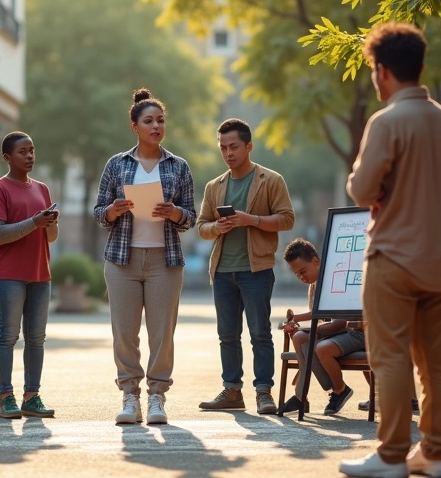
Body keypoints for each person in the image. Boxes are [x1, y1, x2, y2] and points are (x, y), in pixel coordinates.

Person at [339, 22, 441, 478]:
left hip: (393, 256)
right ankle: (436, 453)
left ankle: (392, 452)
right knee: (438, 358)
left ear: (383, 70)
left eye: (374, 70)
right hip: (440, 258)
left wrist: (379, 189)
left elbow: (361, 189)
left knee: (389, 356)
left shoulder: (387, 121)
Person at [94, 88, 196, 426]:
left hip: (164, 261)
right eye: (149, 121)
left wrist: (175, 212)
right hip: (122, 260)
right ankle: (129, 396)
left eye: (161, 120)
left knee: (161, 333)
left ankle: (157, 398)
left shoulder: (178, 166)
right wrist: (112, 210)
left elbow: (192, 217)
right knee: (125, 332)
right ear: (134, 126)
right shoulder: (117, 164)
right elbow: (98, 213)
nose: (156, 126)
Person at [196, 119, 295, 415]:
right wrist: (219, 227)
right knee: (227, 334)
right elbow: (201, 226)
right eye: (223, 147)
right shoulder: (215, 186)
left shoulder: (270, 180)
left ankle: (264, 392)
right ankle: (232, 390)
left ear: (249, 146)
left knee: (260, 333)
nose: (228, 153)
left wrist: (251, 219)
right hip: (223, 270)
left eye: (234, 147)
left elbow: (287, 218)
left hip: (257, 270)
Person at [0, 132, 59, 420]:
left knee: (36, 339)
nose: (29, 156)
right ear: (7, 157)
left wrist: (49, 223)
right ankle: (6, 397)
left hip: (40, 273)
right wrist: (34, 222)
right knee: (8, 336)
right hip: (8, 274)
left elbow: (50, 237)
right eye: (22, 152)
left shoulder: (42, 189)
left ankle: (32, 397)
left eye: (32, 150)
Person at [277, 239, 363, 416]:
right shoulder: (314, 284)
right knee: (299, 337)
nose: (301, 277)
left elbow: (340, 324)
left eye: (303, 271)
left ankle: (340, 390)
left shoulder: (337, 279)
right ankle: (301, 398)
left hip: (355, 332)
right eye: (296, 274)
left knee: (322, 347)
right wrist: (294, 319)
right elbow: (315, 313)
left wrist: (307, 329)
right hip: (337, 333)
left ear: (316, 262)